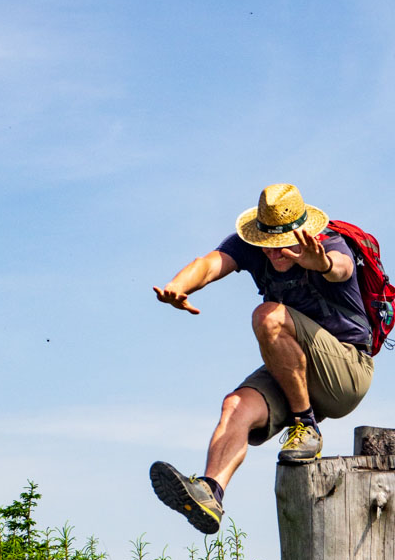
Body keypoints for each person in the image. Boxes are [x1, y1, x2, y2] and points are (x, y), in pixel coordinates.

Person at [150, 183, 374, 534]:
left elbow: (342, 268)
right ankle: (211, 492)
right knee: (235, 405)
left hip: (345, 370)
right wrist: (179, 286)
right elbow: (209, 263)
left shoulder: (328, 244)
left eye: (282, 246)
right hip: (295, 369)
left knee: (268, 315)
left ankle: (306, 427)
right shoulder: (253, 246)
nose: (274, 255)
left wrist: (324, 264)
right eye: (267, 246)